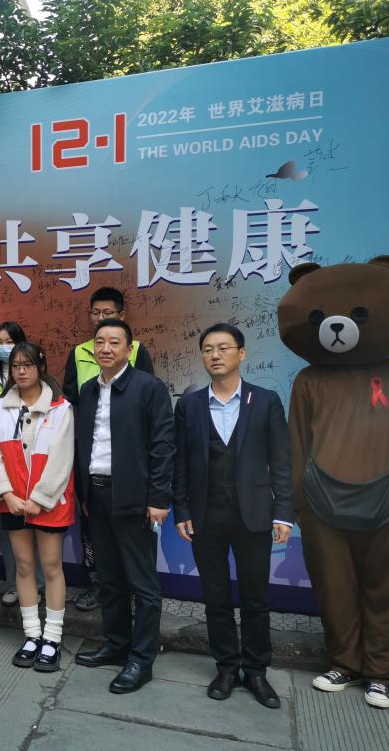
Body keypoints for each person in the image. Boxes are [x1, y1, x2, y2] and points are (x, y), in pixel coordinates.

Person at [172, 323, 294, 709]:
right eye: (208, 349)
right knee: (216, 596)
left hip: (254, 514)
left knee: (256, 596)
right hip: (205, 515)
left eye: (223, 347)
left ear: (241, 353)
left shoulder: (266, 400)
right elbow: (180, 463)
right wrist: (181, 508)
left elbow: (281, 460)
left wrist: (284, 512)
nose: (215, 355)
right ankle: (226, 666)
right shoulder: (189, 405)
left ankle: (256, 670)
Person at [74, 319, 174, 694]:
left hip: (134, 497)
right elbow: (83, 444)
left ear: (129, 350)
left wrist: (158, 499)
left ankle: (141, 660)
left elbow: (163, 446)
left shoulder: (148, 388)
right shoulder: (87, 390)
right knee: (109, 578)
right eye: (100, 341)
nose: (106, 348)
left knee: (142, 583)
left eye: (115, 342)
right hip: (96, 495)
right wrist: (84, 494)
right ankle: (116, 645)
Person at [62, 287, 154, 613]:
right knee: (92, 535)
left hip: (128, 470)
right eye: (96, 313)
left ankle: (134, 595)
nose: (100, 318)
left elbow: (148, 410)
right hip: (91, 463)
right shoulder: (78, 354)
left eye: (108, 313)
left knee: (132, 545)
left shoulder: (137, 351)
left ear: (121, 316)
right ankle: (98, 586)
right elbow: (71, 403)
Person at [0, 342, 75, 672]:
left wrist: (39, 498)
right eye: (16, 366)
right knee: (23, 567)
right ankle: (32, 634)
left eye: (27, 365)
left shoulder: (60, 408)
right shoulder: (1, 407)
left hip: (49, 503)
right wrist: (6, 494)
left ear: (41, 367)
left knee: (51, 567)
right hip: (12, 503)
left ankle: (52, 638)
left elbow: (62, 458)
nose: (21, 371)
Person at [0, 321, 44, 607]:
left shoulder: (32, 377)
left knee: (33, 530)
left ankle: (37, 585)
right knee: (6, 532)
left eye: (10, 341)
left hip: (28, 462)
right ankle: (13, 584)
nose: (4, 347)